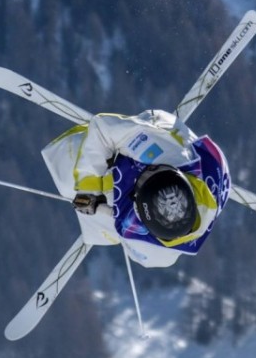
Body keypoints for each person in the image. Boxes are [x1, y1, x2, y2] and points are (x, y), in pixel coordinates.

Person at [40, 109, 231, 267]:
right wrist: (88, 186)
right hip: (173, 140)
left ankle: (112, 186)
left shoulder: (155, 251)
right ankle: (130, 144)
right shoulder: (165, 154)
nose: (143, 177)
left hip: (206, 180)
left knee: (87, 202)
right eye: (149, 177)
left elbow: (119, 227)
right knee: (67, 167)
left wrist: (96, 206)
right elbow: (103, 128)